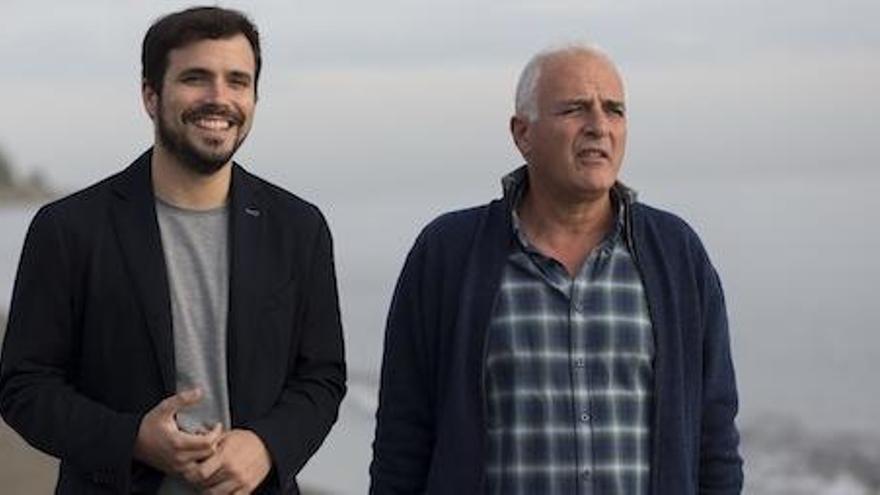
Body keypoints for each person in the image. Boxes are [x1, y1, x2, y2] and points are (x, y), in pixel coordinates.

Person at [0, 6, 345, 494]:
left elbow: (322, 378)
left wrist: (266, 444)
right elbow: (24, 388)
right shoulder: (68, 228)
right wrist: (132, 438)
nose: (219, 98)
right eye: (195, 78)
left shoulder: (298, 228)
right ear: (150, 95)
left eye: (237, 81)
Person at [370, 43, 743, 494]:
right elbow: (402, 442)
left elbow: (715, 438)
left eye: (614, 110)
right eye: (575, 109)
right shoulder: (447, 255)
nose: (599, 127)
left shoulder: (678, 255)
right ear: (522, 133)